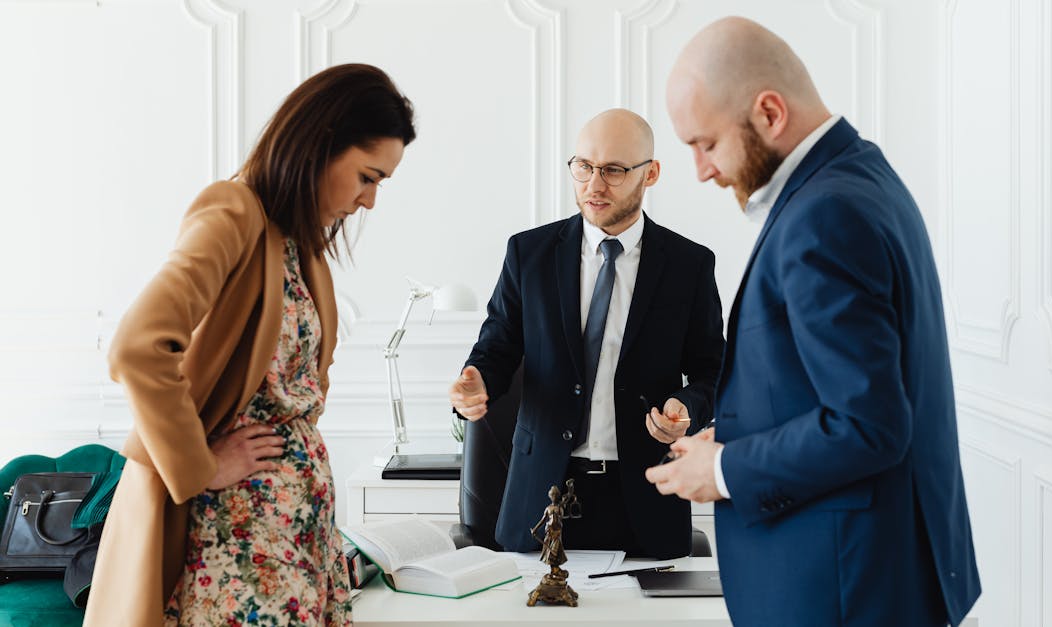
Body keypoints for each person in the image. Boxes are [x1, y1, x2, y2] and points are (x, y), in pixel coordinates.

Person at [644, 17, 981, 627]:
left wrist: (720, 470)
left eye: (706, 143)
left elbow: (868, 424)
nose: (700, 170)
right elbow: (830, 389)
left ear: (769, 113)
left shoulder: (824, 216)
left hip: (846, 592)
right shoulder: (859, 176)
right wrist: (728, 441)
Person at [84, 64, 416, 626]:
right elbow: (138, 346)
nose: (369, 201)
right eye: (367, 176)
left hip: (298, 538)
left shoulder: (298, 244)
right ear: (321, 145)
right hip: (240, 538)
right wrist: (198, 467)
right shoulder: (235, 212)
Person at [448, 108, 724, 559]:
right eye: (584, 166)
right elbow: (497, 347)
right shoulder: (528, 253)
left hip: (644, 498)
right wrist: (476, 379)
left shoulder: (689, 265)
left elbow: (714, 371)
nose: (594, 185)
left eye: (614, 170)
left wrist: (688, 409)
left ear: (650, 173)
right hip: (541, 498)